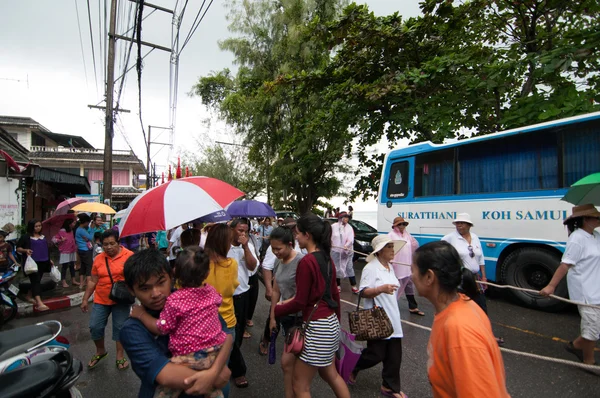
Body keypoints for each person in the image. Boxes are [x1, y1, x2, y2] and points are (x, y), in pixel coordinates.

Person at [121, 249, 233, 397]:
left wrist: (214, 371)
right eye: (145, 288)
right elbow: (166, 375)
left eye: (161, 282)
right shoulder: (132, 330)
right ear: (131, 290)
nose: (155, 293)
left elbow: (227, 335)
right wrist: (216, 373)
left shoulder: (194, 300)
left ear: (172, 276)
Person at [411, 241, 510, 398]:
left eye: (413, 270)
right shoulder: (463, 303)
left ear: (429, 277)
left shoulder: (459, 330)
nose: (411, 276)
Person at [275, 214, 350, 398]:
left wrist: (278, 309)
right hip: (330, 323)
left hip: (316, 326)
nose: (296, 237)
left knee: (300, 386)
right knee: (331, 374)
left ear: (307, 235)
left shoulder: (307, 261)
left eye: (298, 233)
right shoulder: (327, 258)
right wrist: (337, 325)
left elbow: (300, 301)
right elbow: (335, 296)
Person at [541, 204, 600, 365]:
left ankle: (576, 345)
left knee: (595, 327)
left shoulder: (595, 235)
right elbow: (565, 265)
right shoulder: (577, 238)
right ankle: (589, 361)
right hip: (586, 291)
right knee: (592, 328)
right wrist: (551, 286)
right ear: (585, 219)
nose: (598, 219)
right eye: (596, 217)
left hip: (597, 287)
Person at [350, 235, 406, 398]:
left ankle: (389, 386)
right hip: (378, 319)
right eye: (389, 247)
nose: (392, 250)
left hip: (393, 316)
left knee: (395, 356)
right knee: (376, 354)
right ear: (380, 251)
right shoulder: (371, 268)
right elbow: (363, 292)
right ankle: (353, 366)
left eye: (392, 247)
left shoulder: (390, 266)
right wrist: (380, 289)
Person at [259, 227, 304, 397]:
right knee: (288, 366)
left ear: (290, 245)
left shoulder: (301, 261)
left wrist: (282, 306)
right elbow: (276, 290)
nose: (275, 252)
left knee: (290, 364)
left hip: (301, 320)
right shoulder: (279, 261)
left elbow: (303, 295)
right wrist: (273, 317)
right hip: (286, 318)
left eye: (279, 248)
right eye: (273, 248)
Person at [80, 229, 133, 370]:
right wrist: (85, 299)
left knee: (120, 328)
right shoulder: (98, 258)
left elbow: (136, 279)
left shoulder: (129, 256)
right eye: (105, 244)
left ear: (118, 243)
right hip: (101, 299)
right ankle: (100, 351)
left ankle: (120, 356)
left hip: (121, 300)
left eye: (112, 243)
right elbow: (93, 281)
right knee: (95, 327)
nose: (109, 247)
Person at [228, 218, 258, 388]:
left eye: (245, 231)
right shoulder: (223, 245)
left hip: (241, 295)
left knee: (237, 334)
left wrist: (246, 247)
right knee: (228, 334)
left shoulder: (248, 246)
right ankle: (238, 371)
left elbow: (253, 268)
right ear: (231, 229)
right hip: (224, 297)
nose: (242, 234)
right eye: (239, 230)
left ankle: (230, 362)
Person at [204, 223, 239, 337]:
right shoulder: (231, 264)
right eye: (229, 241)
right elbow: (231, 290)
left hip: (203, 321)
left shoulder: (198, 265)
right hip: (227, 320)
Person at [389, 217, 424, 316]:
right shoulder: (391, 235)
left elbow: (414, 246)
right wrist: (390, 260)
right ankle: (391, 305)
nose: (402, 226)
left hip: (407, 263)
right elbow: (388, 249)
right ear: (395, 226)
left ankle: (413, 306)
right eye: (400, 224)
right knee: (395, 285)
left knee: (409, 285)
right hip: (396, 264)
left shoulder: (407, 235)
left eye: (404, 224)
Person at [16, 219, 52, 311]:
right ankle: (39, 303)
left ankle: (29, 295)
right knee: (36, 281)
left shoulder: (43, 237)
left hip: (43, 262)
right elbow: (18, 248)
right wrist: (25, 250)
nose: (38, 228)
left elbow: (45, 249)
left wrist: (49, 259)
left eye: (39, 226)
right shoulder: (26, 237)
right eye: (36, 226)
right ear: (32, 227)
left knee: (37, 280)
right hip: (32, 263)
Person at [331, 212, 357, 293]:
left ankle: (354, 286)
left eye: (347, 217)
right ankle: (337, 285)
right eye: (344, 217)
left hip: (347, 251)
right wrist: (331, 243)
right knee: (336, 268)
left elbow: (351, 239)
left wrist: (346, 245)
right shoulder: (334, 226)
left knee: (349, 267)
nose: (346, 219)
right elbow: (329, 236)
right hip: (336, 250)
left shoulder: (349, 228)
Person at [52, 218, 79, 288]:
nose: (74, 224)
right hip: (65, 251)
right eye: (73, 223)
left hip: (72, 250)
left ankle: (73, 279)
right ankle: (63, 281)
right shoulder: (62, 231)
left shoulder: (71, 231)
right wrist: (61, 240)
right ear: (69, 224)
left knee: (72, 265)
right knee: (65, 266)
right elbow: (54, 239)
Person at [75, 214, 95, 290]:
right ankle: (88, 283)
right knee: (89, 266)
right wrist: (92, 229)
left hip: (81, 250)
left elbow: (86, 237)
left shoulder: (78, 229)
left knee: (83, 266)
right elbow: (90, 237)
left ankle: (81, 283)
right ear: (85, 222)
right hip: (86, 250)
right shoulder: (81, 230)